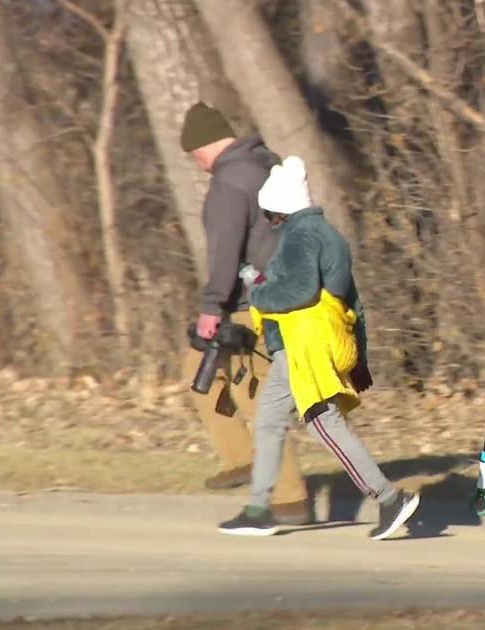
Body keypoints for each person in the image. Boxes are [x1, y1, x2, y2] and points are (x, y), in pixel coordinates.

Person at [217, 156, 420, 540]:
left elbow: (300, 290)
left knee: (322, 423)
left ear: (280, 208)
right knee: (271, 420)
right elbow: (351, 302)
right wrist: (359, 355)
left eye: (269, 212)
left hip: (303, 345)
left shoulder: (300, 236)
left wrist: (258, 291)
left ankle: (388, 498)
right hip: (314, 342)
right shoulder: (328, 235)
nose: (268, 220)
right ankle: (259, 508)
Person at [179, 102, 309, 524]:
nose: (196, 165)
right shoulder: (266, 167)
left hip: (252, 303)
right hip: (281, 292)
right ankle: (243, 459)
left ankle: (288, 499)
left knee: (256, 397)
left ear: (202, 147)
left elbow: (225, 249)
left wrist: (212, 305)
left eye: (193, 155)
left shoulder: (229, 182)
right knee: (197, 369)